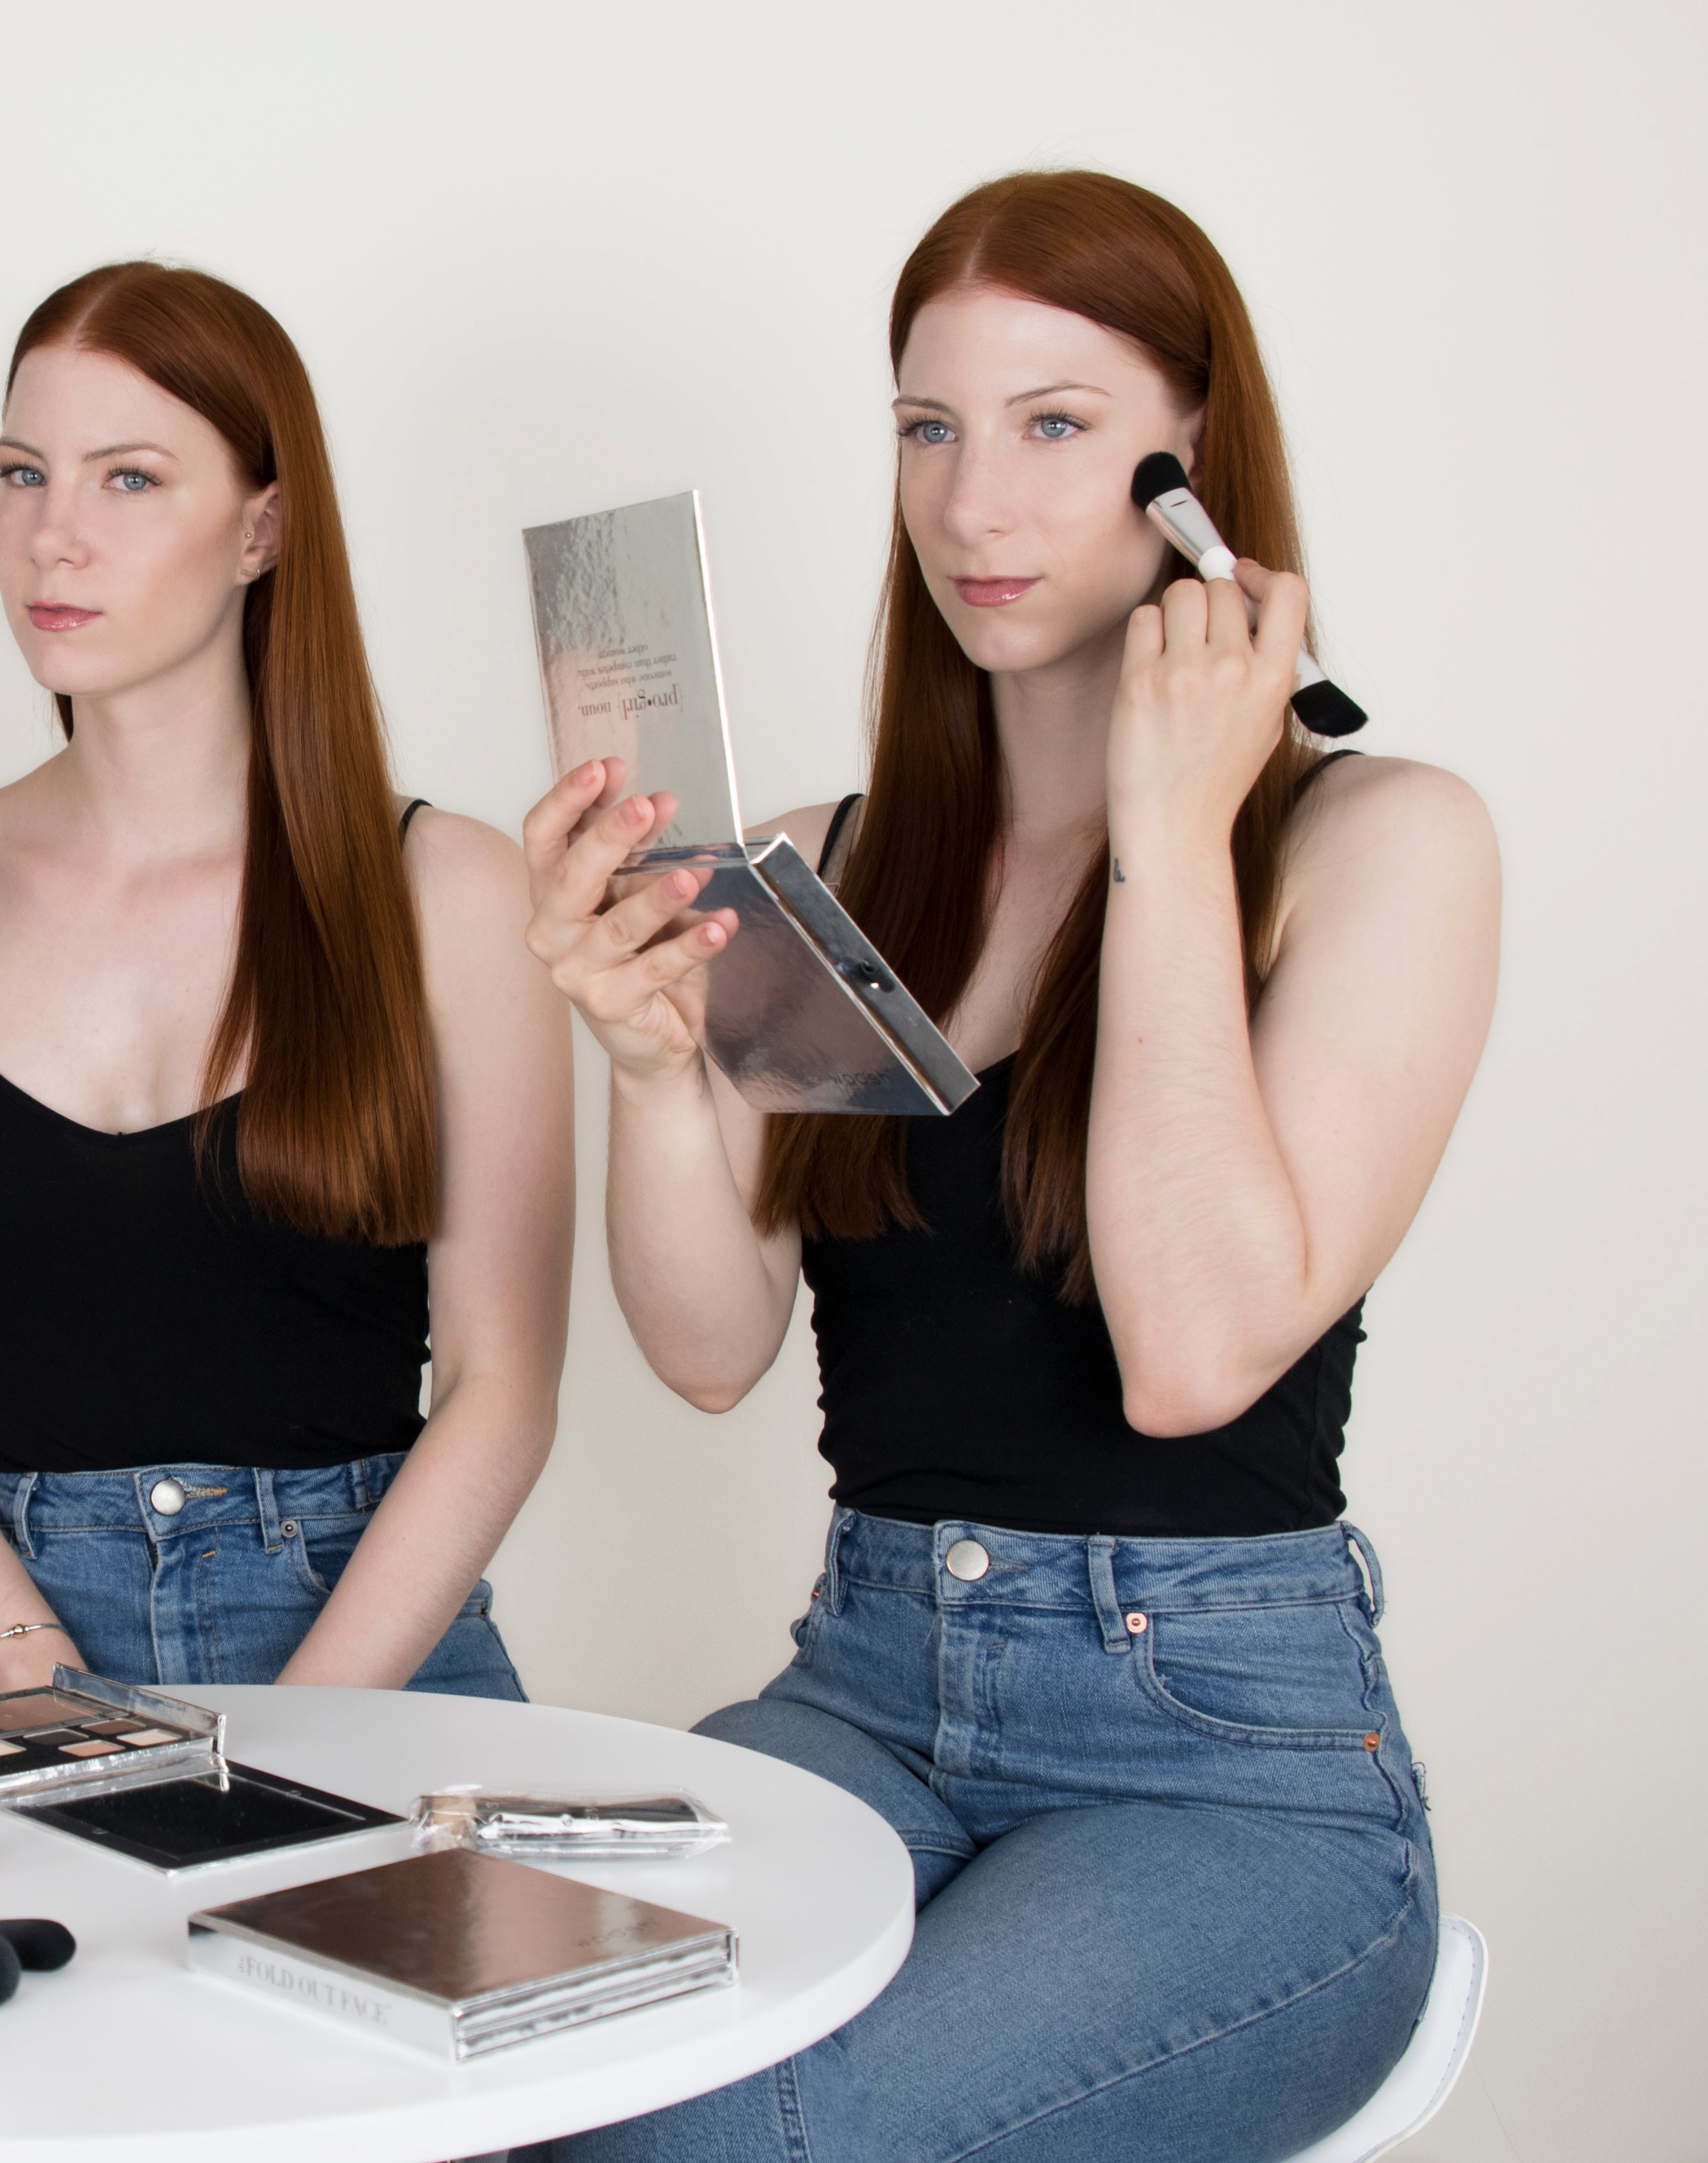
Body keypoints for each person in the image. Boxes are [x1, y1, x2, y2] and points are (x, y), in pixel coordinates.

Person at [519, 172, 1498, 2160]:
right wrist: (644, 1066)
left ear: (1190, 466)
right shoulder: (831, 855)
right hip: (868, 1691)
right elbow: (711, 1353)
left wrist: (1166, 830)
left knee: (713, 2142)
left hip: (1218, 1770)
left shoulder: (1381, 847)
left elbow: (1196, 1355)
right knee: (483, 2036)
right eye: (929, 427)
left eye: (1057, 426)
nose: (973, 506)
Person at [0, 263, 572, 1702]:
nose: (48, 539)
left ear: (260, 529)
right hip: (8, 1647)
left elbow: (497, 1387)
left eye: (129, 479)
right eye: (21, 475)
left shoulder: (448, 890)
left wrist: (301, 1736)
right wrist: (28, 1666)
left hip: (373, 1651)